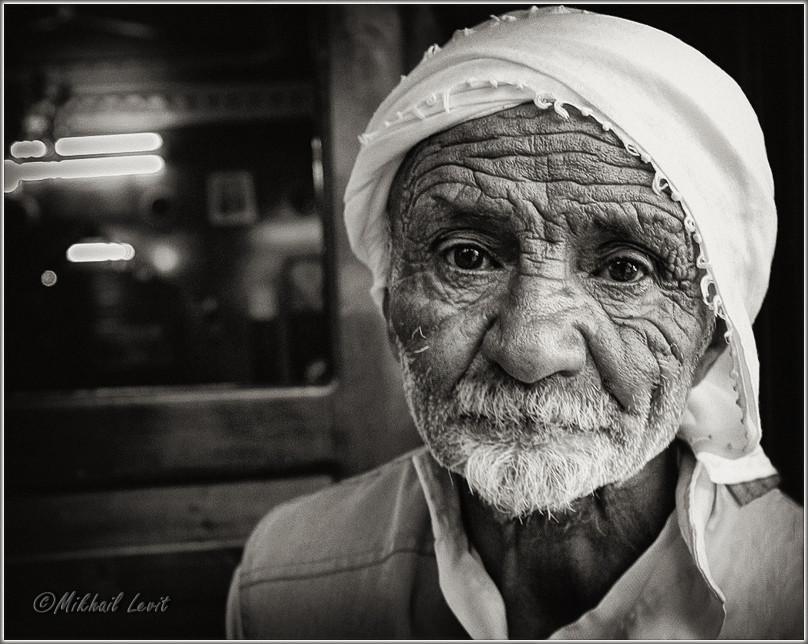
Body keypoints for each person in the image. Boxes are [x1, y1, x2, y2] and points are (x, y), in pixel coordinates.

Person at [226, 6, 803, 639]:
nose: (530, 351)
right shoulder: (287, 582)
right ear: (392, 305)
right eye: (467, 258)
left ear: (711, 338)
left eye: (623, 270)